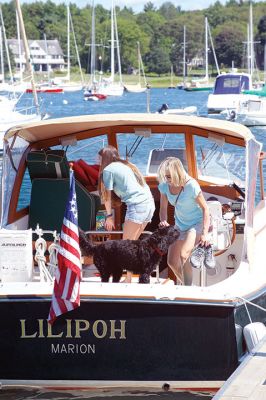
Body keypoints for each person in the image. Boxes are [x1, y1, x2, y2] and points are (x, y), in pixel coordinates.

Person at [98, 145, 155, 282]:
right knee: (132, 245)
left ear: (104, 157)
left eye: (99, 157)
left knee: (126, 246)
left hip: (137, 206)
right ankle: (131, 277)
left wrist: (109, 216)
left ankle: (129, 279)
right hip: (149, 205)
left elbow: (106, 195)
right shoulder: (127, 165)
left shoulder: (107, 170)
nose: (97, 160)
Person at [157, 157, 211, 285]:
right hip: (180, 225)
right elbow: (163, 208)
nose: (167, 180)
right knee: (171, 262)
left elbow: (205, 209)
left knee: (184, 255)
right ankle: (189, 285)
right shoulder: (164, 186)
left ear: (177, 173)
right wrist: (163, 221)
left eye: (169, 177)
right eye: (165, 176)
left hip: (196, 223)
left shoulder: (191, 185)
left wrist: (204, 233)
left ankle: (187, 290)